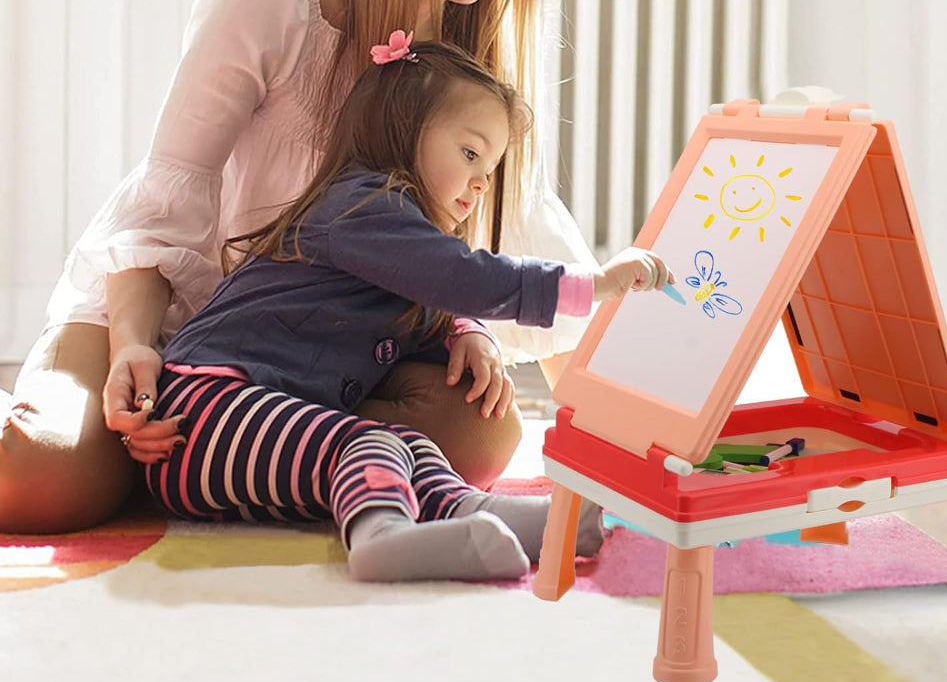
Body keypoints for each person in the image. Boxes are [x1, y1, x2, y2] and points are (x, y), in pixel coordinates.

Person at [0, 0, 601, 534]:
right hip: (174, 313)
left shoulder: (464, 51)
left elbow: (476, 237)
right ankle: (181, 450)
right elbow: (163, 202)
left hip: (312, 346)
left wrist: (474, 333)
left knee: (483, 433)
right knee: (40, 482)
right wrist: (131, 348)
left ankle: (209, 460)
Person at [144, 35, 671, 581]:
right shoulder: (363, 206)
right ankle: (381, 537)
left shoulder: (394, 241)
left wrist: (468, 333)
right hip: (201, 416)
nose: (479, 183)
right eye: (470, 154)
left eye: (489, 169)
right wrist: (593, 284)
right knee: (368, 441)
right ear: (405, 131)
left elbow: (431, 306)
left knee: (410, 445)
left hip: (245, 427)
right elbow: (463, 277)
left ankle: (496, 518)